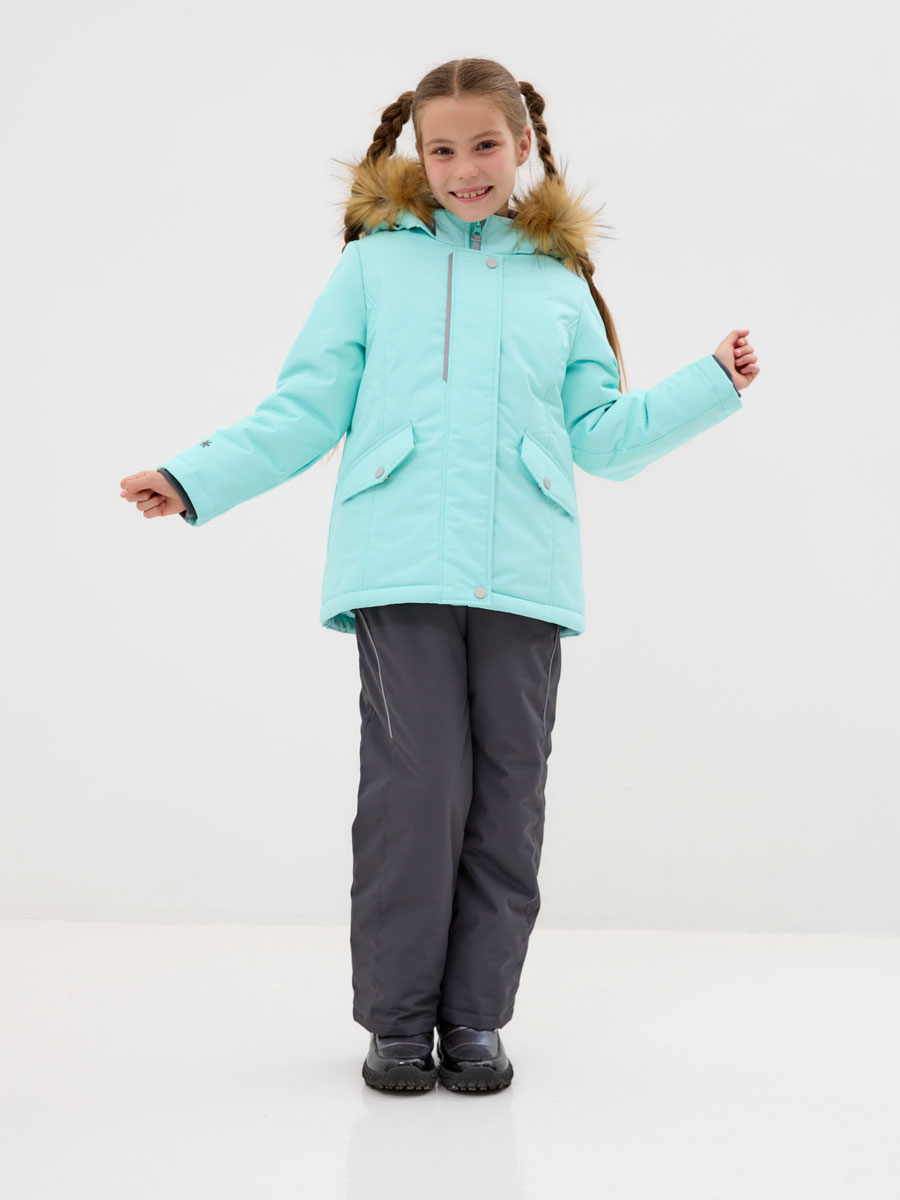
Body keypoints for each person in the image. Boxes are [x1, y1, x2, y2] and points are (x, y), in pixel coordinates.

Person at [119, 57, 760, 1096]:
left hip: (525, 573)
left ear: (525, 146)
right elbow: (304, 408)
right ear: (417, 155)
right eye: (444, 149)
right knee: (416, 795)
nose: (466, 168)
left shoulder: (560, 282)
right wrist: (194, 480)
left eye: (485, 146)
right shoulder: (373, 269)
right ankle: (399, 1022)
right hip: (401, 563)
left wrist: (710, 384)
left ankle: (474, 1021)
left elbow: (603, 437)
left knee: (508, 798)